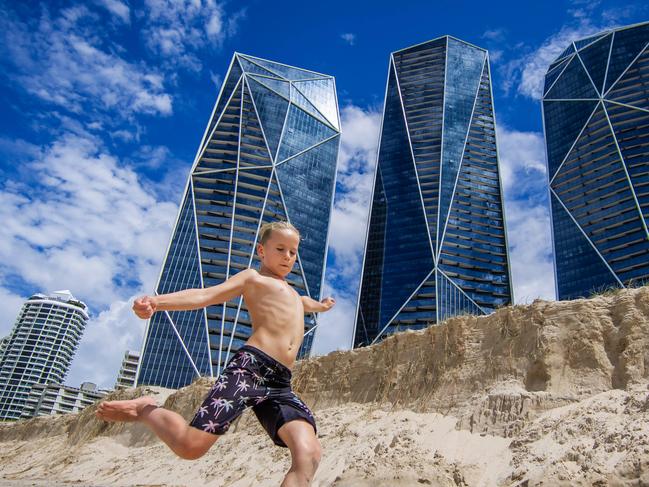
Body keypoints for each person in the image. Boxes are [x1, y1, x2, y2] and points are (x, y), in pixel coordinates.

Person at [96, 221, 335, 487]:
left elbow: (305, 303)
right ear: (261, 251)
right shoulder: (252, 278)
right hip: (250, 369)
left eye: (293, 252)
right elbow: (205, 295)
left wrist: (322, 306)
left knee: (309, 453)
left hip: (281, 384)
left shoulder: (295, 294)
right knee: (190, 446)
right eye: (280, 248)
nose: (288, 256)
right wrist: (157, 302)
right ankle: (145, 409)